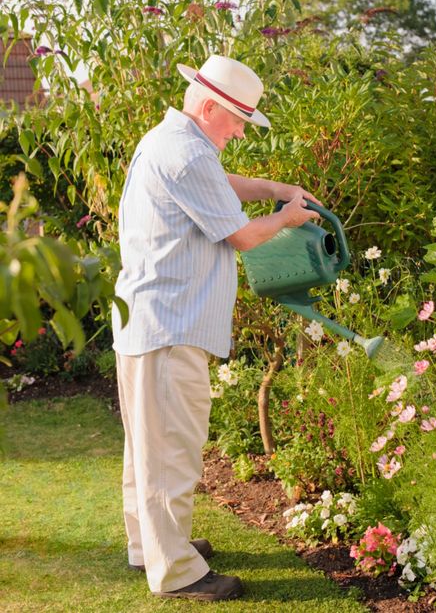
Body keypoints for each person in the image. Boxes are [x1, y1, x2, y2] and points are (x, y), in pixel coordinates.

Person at [112, 54, 321, 601]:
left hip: (150, 321)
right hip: (170, 325)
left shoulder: (171, 142)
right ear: (209, 108)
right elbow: (244, 237)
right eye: (236, 121)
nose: (239, 131)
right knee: (172, 451)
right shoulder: (186, 154)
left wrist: (275, 187)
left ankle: (150, 547)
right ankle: (176, 572)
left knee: (147, 450)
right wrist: (290, 216)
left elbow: (224, 182)